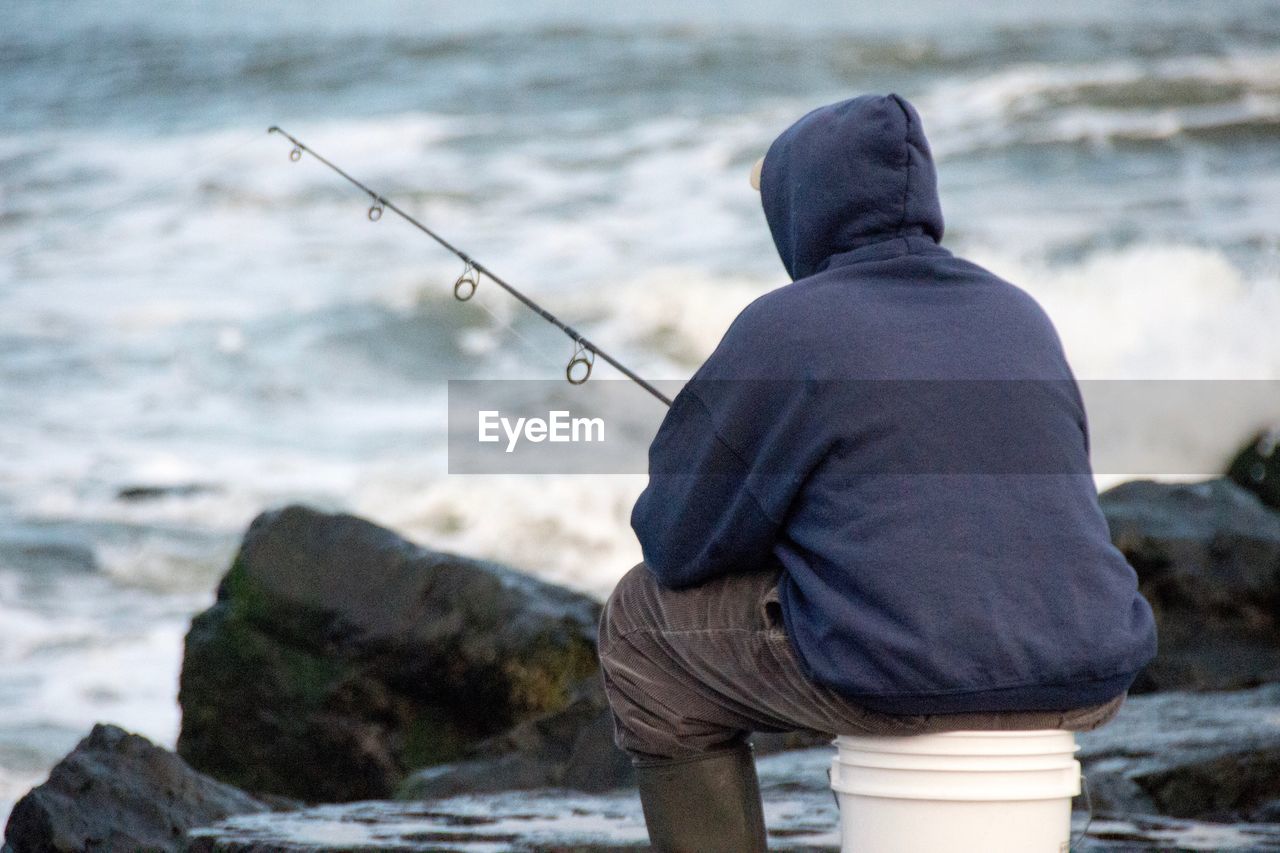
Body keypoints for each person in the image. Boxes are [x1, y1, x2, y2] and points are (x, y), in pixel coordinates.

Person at [597, 93, 1158, 852]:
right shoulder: (1017, 312)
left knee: (638, 624)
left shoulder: (787, 324)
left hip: (907, 672)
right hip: (1087, 670)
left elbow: (676, 540)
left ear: (807, 209)